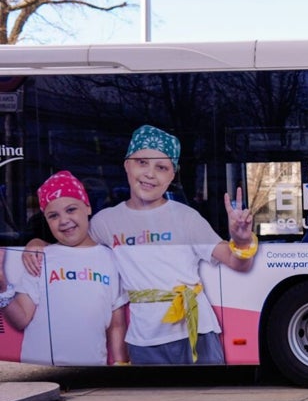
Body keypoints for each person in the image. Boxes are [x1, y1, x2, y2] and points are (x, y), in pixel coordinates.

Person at [22, 124, 259, 365]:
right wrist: (37, 241)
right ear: (127, 164)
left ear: (171, 176)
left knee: (208, 399)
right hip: (144, 339)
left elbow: (237, 262)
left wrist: (241, 240)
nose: (150, 173)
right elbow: (73, 241)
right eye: (142, 162)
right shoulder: (106, 222)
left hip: (195, 330)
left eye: (162, 167)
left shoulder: (186, 217)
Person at [0, 171, 129, 366]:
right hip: (41, 375)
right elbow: (21, 319)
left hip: (90, 375)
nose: (64, 220)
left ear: (87, 207)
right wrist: (2, 287)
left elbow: (116, 325)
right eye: (53, 215)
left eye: (71, 210)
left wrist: (121, 366)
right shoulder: (40, 257)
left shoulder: (111, 259)